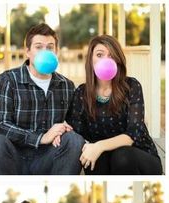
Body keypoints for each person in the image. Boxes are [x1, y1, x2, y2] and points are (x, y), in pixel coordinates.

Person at [0, 23, 85, 175]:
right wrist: (41, 138)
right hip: (14, 156)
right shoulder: (7, 80)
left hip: (50, 157)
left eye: (50, 47)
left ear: (56, 51)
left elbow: (76, 124)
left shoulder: (66, 85)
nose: (45, 52)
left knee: (74, 140)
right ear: (28, 52)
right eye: (38, 46)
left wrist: (64, 130)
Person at [64, 34, 162, 175]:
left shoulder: (131, 86)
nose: (106, 60)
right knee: (92, 161)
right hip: (104, 156)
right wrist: (62, 129)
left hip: (138, 156)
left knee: (122, 156)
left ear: (118, 60)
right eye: (99, 54)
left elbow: (132, 135)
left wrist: (99, 146)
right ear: (91, 60)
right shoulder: (81, 92)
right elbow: (76, 131)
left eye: (111, 56)